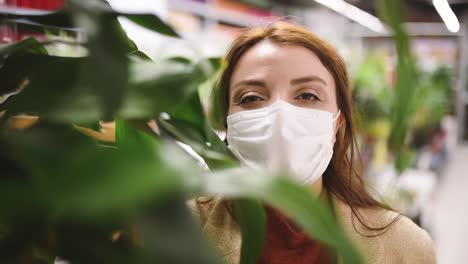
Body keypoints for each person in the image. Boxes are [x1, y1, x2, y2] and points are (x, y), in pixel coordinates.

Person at [188, 21, 436, 264]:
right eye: (251, 97)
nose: (280, 117)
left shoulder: (406, 247)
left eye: (308, 95)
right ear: (227, 122)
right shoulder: (175, 230)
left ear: (337, 123)